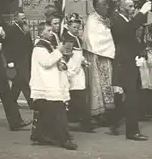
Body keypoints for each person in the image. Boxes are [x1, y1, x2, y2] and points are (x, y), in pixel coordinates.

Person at [29, 22, 77, 150]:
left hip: (50, 83)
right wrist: (59, 51)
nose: (52, 33)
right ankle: (64, 139)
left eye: (52, 30)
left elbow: (54, 59)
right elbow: (46, 62)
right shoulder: (39, 47)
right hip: (46, 85)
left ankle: (42, 136)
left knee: (47, 113)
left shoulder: (48, 46)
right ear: (41, 33)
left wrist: (62, 63)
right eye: (48, 31)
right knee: (58, 112)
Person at [110, 0, 152, 141]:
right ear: (121, 8)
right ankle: (132, 131)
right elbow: (127, 31)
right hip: (123, 64)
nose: (133, 9)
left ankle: (118, 123)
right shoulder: (117, 20)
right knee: (131, 97)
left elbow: (130, 40)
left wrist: (140, 52)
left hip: (129, 62)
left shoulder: (126, 20)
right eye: (129, 6)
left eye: (134, 6)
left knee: (130, 97)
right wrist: (142, 12)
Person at [83, 0, 116, 123]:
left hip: (106, 58)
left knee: (108, 84)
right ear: (96, 7)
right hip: (96, 58)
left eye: (107, 5)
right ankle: (98, 113)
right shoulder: (92, 20)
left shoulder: (105, 19)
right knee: (97, 86)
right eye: (103, 5)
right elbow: (94, 40)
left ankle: (108, 112)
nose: (107, 7)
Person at [63, 19, 96, 132]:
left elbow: (78, 54)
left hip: (78, 72)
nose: (77, 30)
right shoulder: (68, 39)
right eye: (74, 27)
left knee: (78, 97)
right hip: (72, 73)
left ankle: (80, 120)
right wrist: (69, 73)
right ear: (68, 27)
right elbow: (67, 57)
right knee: (78, 98)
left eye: (78, 28)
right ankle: (85, 123)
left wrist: (83, 61)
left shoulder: (77, 39)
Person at [5, 11, 33, 109]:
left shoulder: (26, 29)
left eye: (25, 18)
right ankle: (31, 102)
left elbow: (30, 44)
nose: (24, 20)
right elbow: (7, 47)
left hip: (25, 59)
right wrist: (9, 61)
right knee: (23, 81)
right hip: (16, 60)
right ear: (16, 18)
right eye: (22, 18)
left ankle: (11, 101)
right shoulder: (11, 30)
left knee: (17, 82)